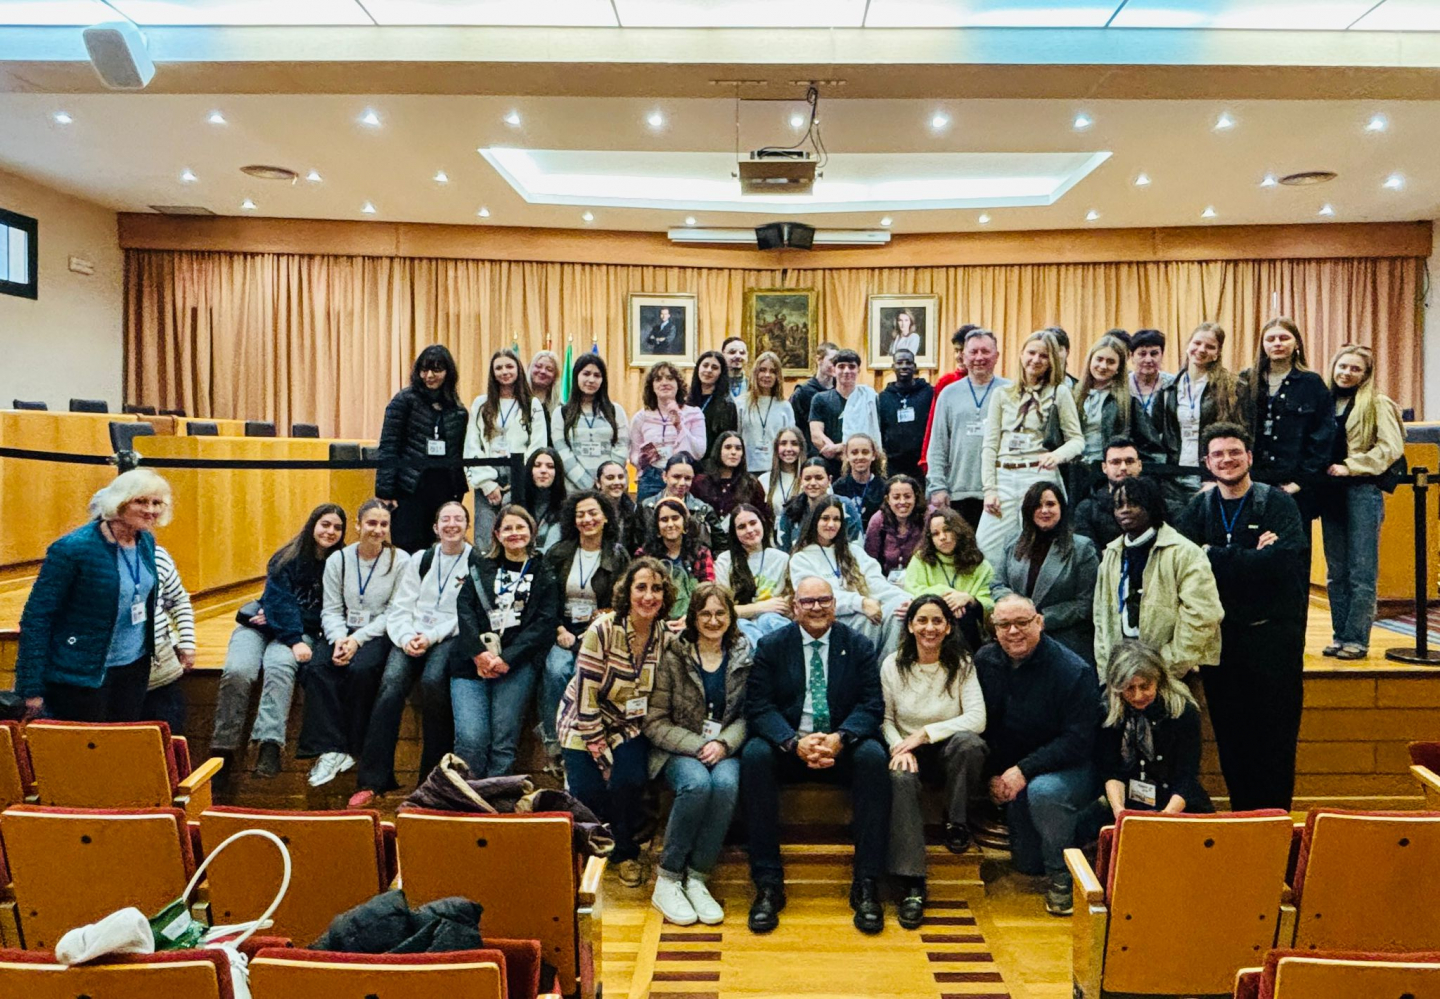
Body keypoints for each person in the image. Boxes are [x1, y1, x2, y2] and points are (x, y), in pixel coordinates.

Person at [742, 576, 891, 935]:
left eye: (824, 600)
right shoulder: (772, 646)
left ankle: (867, 884)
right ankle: (768, 884)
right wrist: (792, 742)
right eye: (807, 602)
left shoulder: (858, 645)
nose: (817, 608)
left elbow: (872, 705)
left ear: (834, 605)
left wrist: (841, 737)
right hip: (790, 746)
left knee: (874, 757)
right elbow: (758, 706)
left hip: (842, 745)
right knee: (754, 756)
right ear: (794, 607)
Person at [1174, 422, 1307, 811]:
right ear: (1207, 462)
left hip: (1273, 643)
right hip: (1223, 643)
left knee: (1275, 743)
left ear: (1249, 457)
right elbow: (1184, 565)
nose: (1227, 459)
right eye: (1218, 454)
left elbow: (1283, 564)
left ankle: (1275, 824)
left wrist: (1213, 554)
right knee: (1232, 741)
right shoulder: (1199, 508)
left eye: (1234, 452)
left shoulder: (1277, 503)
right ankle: (1242, 822)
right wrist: (1253, 556)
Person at [974, 594, 1099, 917]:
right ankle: (1078, 831)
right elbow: (984, 726)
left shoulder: (1073, 670)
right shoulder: (984, 661)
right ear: (994, 629)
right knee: (1028, 864)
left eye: (1022, 623)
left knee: (1045, 792)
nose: (1013, 631)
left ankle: (1063, 876)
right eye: (1004, 624)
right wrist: (992, 775)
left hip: (1068, 768)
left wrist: (1023, 770)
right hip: (1016, 773)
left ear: (1040, 623)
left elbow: (1078, 741)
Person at [18, 469, 172, 723]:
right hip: (80, 675)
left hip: (133, 670)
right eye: (141, 501)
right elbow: (37, 617)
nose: (151, 510)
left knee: (122, 743)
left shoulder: (145, 541)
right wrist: (30, 687)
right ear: (120, 501)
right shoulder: (73, 549)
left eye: (157, 503)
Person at [558, 558, 677, 886]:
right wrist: (600, 755)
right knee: (589, 790)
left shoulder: (664, 635)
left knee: (630, 780)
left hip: (628, 723)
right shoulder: (603, 629)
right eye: (641, 588)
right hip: (583, 720)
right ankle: (588, 855)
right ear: (628, 592)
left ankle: (625, 853)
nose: (649, 596)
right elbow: (586, 696)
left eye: (656, 589)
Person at [348, 500, 474, 808]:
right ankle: (372, 780)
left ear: (467, 526)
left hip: (446, 635)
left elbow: (468, 615)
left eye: (458, 519)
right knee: (391, 684)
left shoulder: (476, 561)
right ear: (435, 527)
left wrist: (431, 636)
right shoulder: (421, 559)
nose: (452, 525)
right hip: (410, 634)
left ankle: (430, 783)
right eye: (445, 519)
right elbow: (401, 606)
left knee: (433, 683)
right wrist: (405, 637)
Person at [210, 503, 347, 778]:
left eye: (337, 527)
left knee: (279, 668)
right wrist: (288, 628)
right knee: (238, 671)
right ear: (312, 525)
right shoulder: (286, 558)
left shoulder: (340, 565)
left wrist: (284, 623)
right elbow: (278, 601)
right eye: (325, 524)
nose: (330, 531)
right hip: (260, 629)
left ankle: (269, 745)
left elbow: (325, 611)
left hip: (293, 632)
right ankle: (223, 747)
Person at [645, 583, 752, 925]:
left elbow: (749, 714)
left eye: (720, 613)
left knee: (726, 785)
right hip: (678, 748)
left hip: (725, 748)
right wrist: (698, 746)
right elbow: (654, 721)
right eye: (705, 613)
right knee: (696, 785)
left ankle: (697, 878)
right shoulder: (673, 655)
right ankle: (668, 878)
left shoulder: (744, 654)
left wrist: (723, 744)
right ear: (693, 617)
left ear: (731, 616)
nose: (713, 620)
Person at [883, 596, 987, 929]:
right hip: (907, 749)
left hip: (946, 749)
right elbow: (885, 719)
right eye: (922, 620)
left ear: (949, 627)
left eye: (937, 621)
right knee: (899, 777)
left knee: (970, 744)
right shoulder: (892, 664)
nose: (930, 628)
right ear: (910, 625)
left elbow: (977, 718)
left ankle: (956, 822)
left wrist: (926, 734)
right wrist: (899, 747)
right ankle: (912, 881)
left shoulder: (963, 664)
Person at [298, 498, 410, 788]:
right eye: (371, 523)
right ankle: (330, 749)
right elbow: (331, 609)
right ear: (358, 525)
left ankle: (351, 747)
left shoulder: (401, 561)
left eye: (383, 524)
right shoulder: (339, 560)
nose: (377, 529)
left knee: (361, 670)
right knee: (317, 668)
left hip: (377, 632)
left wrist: (357, 641)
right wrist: (339, 640)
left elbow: (394, 612)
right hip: (342, 629)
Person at [451, 505, 559, 778]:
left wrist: (506, 658)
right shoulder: (481, 566)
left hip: (516, 663)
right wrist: (479, 654)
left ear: (531, 531)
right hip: (472, 663)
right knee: (471, 739)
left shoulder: (544, 572)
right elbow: (465, 609)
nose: (514, 533)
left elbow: (544, 623)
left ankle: (497, 796)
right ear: (497, 534)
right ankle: (468, 796)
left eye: (520, 527)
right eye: (507, 528)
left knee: (503, 740)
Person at [1078, 641, 1212, 843]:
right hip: (1129, 802)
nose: (1138, 695)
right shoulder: (1108, 710)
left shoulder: (1183, 711)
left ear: (1159, 681)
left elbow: (1187, 776)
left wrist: (1164, 818)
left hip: (1175, 801)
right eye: (1129, 688)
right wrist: (1120, 813)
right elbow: (1111, 770)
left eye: (1145, 687)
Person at [1092, 475, 1222, 680]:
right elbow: (1101, 618)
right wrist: (1107, 671)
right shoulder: (1111, 554)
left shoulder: (1185, 552)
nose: (1124, 510)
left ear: (1151, 506)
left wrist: (1164, 666)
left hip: (1175, 672)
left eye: (1133, 503)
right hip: (1122, 671)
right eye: (1119, 505)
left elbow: (1203, 615)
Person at [1321, 345, 1405, 659]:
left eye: (1355, 369)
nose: (1346, 373)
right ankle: (1340, 635)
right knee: (1336, 572)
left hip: (1362, 492)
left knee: (1361, 572)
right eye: (1342, 366)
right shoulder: (1325, 401)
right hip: (1331, 494)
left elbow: (1390, 447)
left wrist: (1352, 465)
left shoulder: (1377, 403)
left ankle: (1357, 639)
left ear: (1366, 374)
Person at [976, 330, 1083, 566]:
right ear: (1021, 354)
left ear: (1051, 360)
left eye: (1043, 356)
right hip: (1004, 475)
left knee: (1038, 545)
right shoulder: (1002, 394)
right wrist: (989, 489)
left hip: (1038, 474)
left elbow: (1077, 440)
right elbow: (990, 445)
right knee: (987, 545)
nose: (1036, 360)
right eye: (1031, 353)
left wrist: (1057, 455)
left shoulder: (1059, 392)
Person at [542, 490, 631, 763]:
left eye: (593, 513)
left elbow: (623, 603)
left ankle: (587, 740)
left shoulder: (617, 555)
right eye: (580, 514)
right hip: (561, 627)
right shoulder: (558, 553)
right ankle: (555, 743)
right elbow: (545, 600)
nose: (587, 519)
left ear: (606, 518)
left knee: (585, 674)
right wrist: (559, 630)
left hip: (599, 631)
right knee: (557, 670)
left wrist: (596, 628)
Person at [1237, 317, 1335, 535]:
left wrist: (1300, 482)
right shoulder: (1247, 380)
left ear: (1296, 343)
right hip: (1253, 483)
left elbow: (1323, 438)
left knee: (1294, 548)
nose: (1277, 343)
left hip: (1295, 487)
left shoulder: (1312, 383)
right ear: (1263, 344)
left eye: (1284, 338)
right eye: (1271, 339)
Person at [990, 483, 1098, 663]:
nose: (1044, 510)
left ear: (1061, 508)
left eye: (1050, 504)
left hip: (1062, 637)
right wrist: (1019, 610)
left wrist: (1039, 619)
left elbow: (1085, 604)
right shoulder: (1012, 541)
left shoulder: (1082, 548)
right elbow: (997, 584)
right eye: (1038, 505)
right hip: (1015, 633)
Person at [375, 344, 469, 552]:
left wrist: (458, 490)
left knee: (442, 548)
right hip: (409, 489)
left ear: (448, 372)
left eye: (436, 369)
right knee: (408, 548)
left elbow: (459, 453)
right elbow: (389, 446)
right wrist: (384, 491)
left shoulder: (457, 409)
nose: (429, 376)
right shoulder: (403, 401)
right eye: (424, 370)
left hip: (444, 488)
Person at [789, 496, 908, 657]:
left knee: (899, 611)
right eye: (825, 518)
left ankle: (887, 666)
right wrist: (861, 603)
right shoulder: (801, 558)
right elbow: (817, 598)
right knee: (868, 619)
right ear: (814, 521)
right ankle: (866, 668)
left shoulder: (854, 551)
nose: (831, 524)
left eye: (836, 519)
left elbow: (876, 583)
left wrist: (906, 600)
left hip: (867, 609)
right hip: (831, 617)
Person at [926, 328, 1010, 527]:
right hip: (957, 493)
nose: (979, 357)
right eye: (973, 352)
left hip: (1000, 493)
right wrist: (937, 487)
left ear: (997, 356)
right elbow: (937, 445)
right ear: (963, 356)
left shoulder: (1010, 391)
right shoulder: (948, 394)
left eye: (985, 351)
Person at [1156, 321, 1241, 514]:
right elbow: (1158, 435)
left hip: (1211, 477)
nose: (1201, 350)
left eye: (1210, 346)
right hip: (1174, 479)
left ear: (1217, 353)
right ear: (1188, 345)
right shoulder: (1169, 388)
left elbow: (1240, 436)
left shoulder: (1232, 388)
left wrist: (1216, 478)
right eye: (1197, 343)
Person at [465, 347, 548, 544]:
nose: (504, 372)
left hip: (520, 475)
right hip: (487, 475)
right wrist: (487, 484)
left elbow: (538, 445)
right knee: (485, 539)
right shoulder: (481, 404)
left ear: (518, 369)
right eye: (499, 368)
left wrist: (520, 478)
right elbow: (472, 445)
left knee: (516, 534)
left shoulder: (532, 404)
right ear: (492, 372)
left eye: (509, 366)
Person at [1072, 334, 1161, 498]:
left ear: (1119, 368)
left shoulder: (1128, 403)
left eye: (1111, 362)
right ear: (1090, 360)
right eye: (1099, 359)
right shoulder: (1072, 396)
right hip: (1074, 476)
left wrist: (1140, 481)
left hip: (1109, 477)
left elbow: (1153, 448)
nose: (1103, 366)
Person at [901, 507, 995, 653]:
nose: (942, 537)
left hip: (968, 626)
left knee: (966, 612)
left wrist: (969, 599)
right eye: (935, 534)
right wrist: (949, 598)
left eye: (947, 530)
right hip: (929, 620)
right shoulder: (920, 560)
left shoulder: (980, 565)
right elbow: (913, 590)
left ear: (959, 531)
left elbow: (990, 602)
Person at [715, 503, 791, 645]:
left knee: (770, 620)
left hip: (772, 621)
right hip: (740, 624)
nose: (749, 530)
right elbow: (723, 610)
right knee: (743, 625)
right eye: (741, 527)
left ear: (762, 523)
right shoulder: (725, 561)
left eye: (753, 523)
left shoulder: (782, 559)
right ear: (734, 533)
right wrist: (761, 607)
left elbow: (785, 604)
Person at [554, 353, 630, 494]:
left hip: (610, 490)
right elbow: (562, 451)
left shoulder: (616, 411)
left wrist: (606, 481)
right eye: (586, 374)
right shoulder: (561, 413)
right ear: (576, 376)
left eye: (597, 375)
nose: (591, 380)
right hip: (574, 491)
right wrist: (588, 485)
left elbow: (622, 446)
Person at [631, 361, 705, 503]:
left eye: (670, 378)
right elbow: (633, 454)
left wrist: (679, 426)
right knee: (646, 516)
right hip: (652, 477)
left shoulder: (694, 413)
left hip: (683, 478)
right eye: (658, 379)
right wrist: (641, 459)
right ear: (652, 386)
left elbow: (699, 452)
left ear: (678, 384)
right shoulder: (641, 417)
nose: (664, 383)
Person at [640, 497, 716, 631]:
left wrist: (690, 619)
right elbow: (640, 594)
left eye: (675, 518)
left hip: (695, 622)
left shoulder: (701, 553)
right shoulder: (644, 555)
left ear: (685, 524)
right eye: (664, 520)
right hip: (653, 622)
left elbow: (708, 592)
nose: (670, 524)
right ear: (657, 527)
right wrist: (660, 623)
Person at [142, 544, 196, 734]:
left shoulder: (157, 555)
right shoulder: (89, 558)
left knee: (169, 738)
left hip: (160, 673)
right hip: (109, 678)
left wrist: (187, 641)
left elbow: (179, 600)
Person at [810, 349, 881, 478]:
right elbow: (816, 435)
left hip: (862, 467)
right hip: (831, 467)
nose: (846, 371)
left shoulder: (870, 398)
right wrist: (841, 453)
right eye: (841, 366)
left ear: (859, 370)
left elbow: (871, 437)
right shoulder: (820, 399)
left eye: (852, 367)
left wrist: (839, 448)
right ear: (834, 370)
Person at [918, 323, 977, 477]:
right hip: (951, 460)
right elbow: (933, 424)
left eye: (963, 350)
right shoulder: (946, 383)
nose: (958, 356)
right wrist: (926, 459)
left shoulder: (992, 385)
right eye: (956, 351)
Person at [1071, 437, 1142, 552]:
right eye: (1115, 462)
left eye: (1129, 461)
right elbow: (1086, 553)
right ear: (1104, 467)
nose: (1123, 467)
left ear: (1139, 465)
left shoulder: (1160, 503)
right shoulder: (1087, 510)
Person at [776, 457, 863, 550]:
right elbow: (783, 551)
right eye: (807, 478)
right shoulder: (790, 509)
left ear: (829, 480)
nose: (813, 483)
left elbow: (856, 547)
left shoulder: (845, 506)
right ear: (801, 481)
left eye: (819, 478)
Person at [692, 430, 769, 533]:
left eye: (738, 448)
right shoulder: (700, 482)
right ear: (718, 451)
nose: (733, 452)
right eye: (728, 447)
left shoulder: (751, 484)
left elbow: (762, 517)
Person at [640, 452, 722, 549]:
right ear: (664, 476)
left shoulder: (704, 510)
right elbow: (637, 544)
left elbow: (721, 546)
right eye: (676, 477)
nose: (682, 483)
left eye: (687, 478)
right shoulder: (646, 507)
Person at [878, 349, 934, 482]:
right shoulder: (883, 397)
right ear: (893, 367)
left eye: (908, 363)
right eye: (899, 363)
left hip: (922, 463)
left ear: (914, 367)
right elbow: (881, 428)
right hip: (894, 464)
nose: (904, 366)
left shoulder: (928, 393)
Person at [738, 351, 796, 473]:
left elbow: (790, 441)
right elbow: (735, 437)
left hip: (775, 470)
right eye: (762, 370)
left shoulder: (785, 406)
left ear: (778, 376)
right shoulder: (741, 403)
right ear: (755, 373)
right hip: (745, 470)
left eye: (773, 371)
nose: (767, 375)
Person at [864, 474, 926, 579]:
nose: (902, 502)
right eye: (896, 497)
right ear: (887, 499)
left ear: (916, 497)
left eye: (907, 496)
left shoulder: (928, 519)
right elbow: (870, 561)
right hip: (885, 581)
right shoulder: (877, 521)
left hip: (922, 580)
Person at [791, 340, 838, 458]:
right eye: (832, 361)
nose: (835, 365)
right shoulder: (802, 392)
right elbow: (795, 427)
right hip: (811, 455)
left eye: (838, 362)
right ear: (819, 360)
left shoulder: (841, 390)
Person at [690, 349, 738, 459]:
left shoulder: (727, 405)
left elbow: (728, 440)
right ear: (698, 368)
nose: (708, 370)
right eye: (705, 365)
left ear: (721, 373)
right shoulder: (686, 400)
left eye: (714, 367)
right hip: (687, 461)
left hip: (712, 463)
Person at [517, 446, 568, 552]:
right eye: (537, 465)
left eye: (550, 466)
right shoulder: (512, 500)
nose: (543, 470)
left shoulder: (567, 504)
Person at [833, 433, 888, 528]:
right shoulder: (838, 488)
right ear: (847, 456)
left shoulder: (883, 487)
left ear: (873, 455)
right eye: (854, 453)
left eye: (865, 452)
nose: (860, 457)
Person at [758, 426, 804, 525]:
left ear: (801, 448)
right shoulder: (763, 480)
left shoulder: (810, 479)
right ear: (776, 448)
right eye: (783, 443)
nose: (789, 449)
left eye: (794, 444)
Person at [1127, 329, 1173, 427]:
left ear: (1162, 355)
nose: (1148, 360)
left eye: (1154, 354)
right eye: (1142, 354)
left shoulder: (1172, 384)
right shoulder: (1122, 385)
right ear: (1132, 356)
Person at [596, 459, 643, 553]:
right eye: (610, 478)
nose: (617, 482)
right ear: (598, 483)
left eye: (621, 477)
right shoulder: (590, 510)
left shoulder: (634, 510)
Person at [528, 349, 562, 448]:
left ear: (555, 376)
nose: (543, 371)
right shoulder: (518, 403)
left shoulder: (560, 410)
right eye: (538, 366)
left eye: (549, 369)